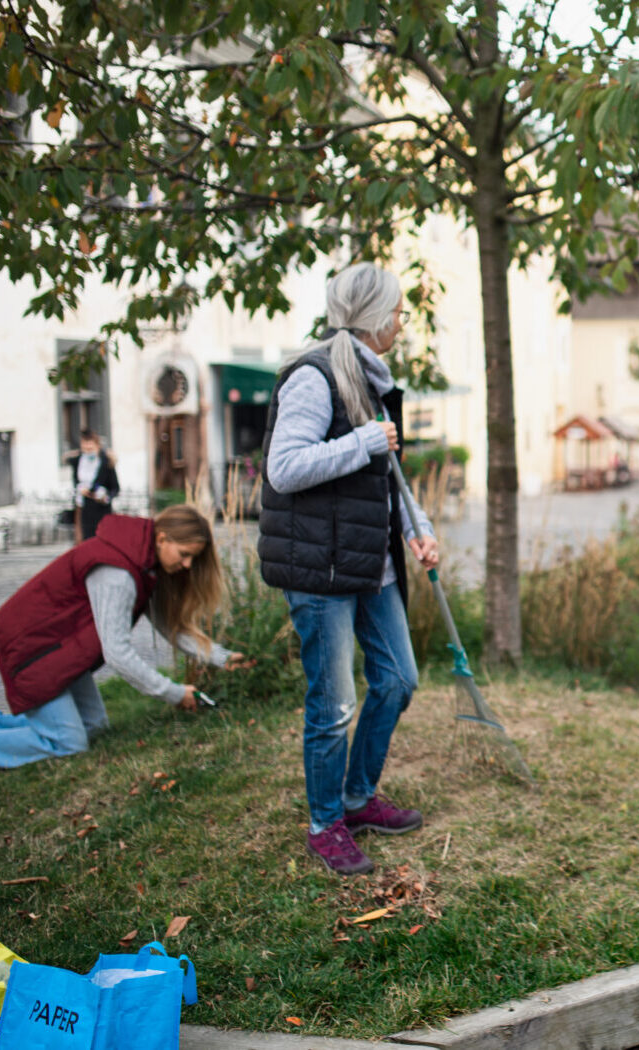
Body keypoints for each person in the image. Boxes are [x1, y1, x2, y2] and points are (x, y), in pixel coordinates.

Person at [258, 262, 438, 877]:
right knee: (332, 705)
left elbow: (384, 477)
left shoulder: (373, 377)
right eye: (397, 310)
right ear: (373, 316)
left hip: (372, 564)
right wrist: (362, 441)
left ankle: (358, 798)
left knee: (397, 682)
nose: (402, 321)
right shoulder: (313, 378)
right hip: (320, 570)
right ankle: (325, 822)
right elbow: (285, 468)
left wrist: (420, 529)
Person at [0, 505, 248, 770]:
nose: (187, 565)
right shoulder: (118, 573)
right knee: (68, 742)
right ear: (163, 539)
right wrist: (174, 693)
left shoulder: (143, 563)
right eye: (185, 554)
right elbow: (117, 654)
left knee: (93, 726)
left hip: (60, 649)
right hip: (33, 648)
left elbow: (170, 626)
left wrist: (222, 658)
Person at [65, 429, 121, 541]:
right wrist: (80, 489)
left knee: (102, 539)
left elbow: (115, 488)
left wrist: (105, 496)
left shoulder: (106, 462)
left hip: (100, 508)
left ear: (97, 446)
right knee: (84, 540)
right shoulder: (77, 461)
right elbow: (76, 481)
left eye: (90, 448)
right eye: (85, 448)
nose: (88, 451)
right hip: (82, 507)